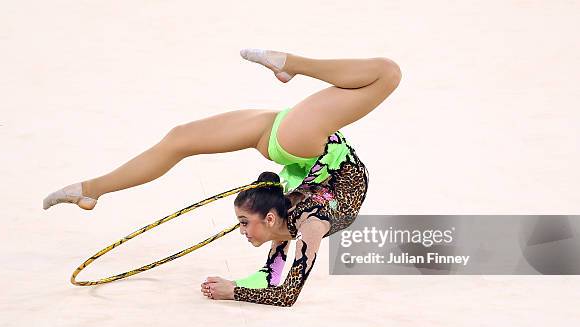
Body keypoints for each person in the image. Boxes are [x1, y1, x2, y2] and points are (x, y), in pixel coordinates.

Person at [43, 48, 402, 306]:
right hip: (306, 143)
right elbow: (285, 294)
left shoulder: (283, 226)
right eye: (244, 224)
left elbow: (268, 278)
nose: (241, 231)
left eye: (243, 223)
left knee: (180, 139)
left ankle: (90, 191)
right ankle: (291, 64)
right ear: (272, 217)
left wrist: (236, 286)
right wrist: (234, 292)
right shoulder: (309, 224)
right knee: (387, 73)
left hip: (286, 139)